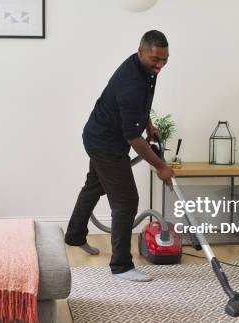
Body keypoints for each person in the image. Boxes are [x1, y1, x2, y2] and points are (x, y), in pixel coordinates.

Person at [65, 30, 175, 282]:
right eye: (155, 60)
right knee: (126, 201)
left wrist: (149, 125)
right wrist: (161, 167)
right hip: (105, 143)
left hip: (100, 134)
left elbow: (140, 106)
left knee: (94, 186)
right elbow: (133, 139)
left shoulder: (145, 70)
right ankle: (121, 266)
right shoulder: (131, 82)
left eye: (165, 60)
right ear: (141, 51)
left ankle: (74, 235)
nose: (160, 66)